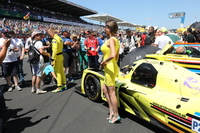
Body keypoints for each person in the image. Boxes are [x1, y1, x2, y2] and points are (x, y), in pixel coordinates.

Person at [100, 20, 121, 124]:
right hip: (111, 66)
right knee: (105, 89)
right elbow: (117, 57)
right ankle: (111, 111)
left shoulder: (112, 40)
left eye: (106, 27)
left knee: (111, 92)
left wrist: (104, 61)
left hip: (109, 66)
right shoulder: (115, 39)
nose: (104, 28)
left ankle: (116, 114)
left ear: (110, 28)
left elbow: (113, 55)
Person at [47, 28, 67, 92]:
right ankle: (64, 84)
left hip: (57, 57)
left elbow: (55, 50)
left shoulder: (54, 39)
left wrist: (53, 58)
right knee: (61, 71)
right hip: (61, 55)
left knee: (57, 72)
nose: (49, 35)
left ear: (52, 32)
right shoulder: (60, 38)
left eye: (49, 33)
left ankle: (59, 86)